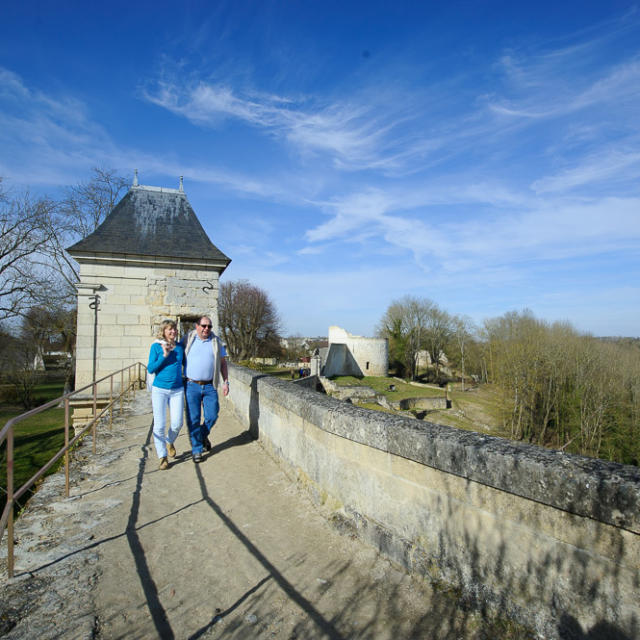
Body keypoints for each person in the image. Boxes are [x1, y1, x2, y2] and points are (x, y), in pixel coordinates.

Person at [182, 315, 229, 463]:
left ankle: (201, 436)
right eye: (203, 326)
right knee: (193, 419)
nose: (206, 329)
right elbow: (176, 355)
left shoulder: (216, 341)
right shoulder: (188, 339)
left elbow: (222, 364)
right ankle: (197, 449)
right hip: (191, 385)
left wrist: (226, 382)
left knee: (212, 415)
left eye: (209, 326)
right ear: (197, 326)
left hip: (210, 385)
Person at [147, 319, 185, 470]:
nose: (173, 332)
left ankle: (169, 441)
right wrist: (164, 354)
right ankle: (162, 457)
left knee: (177, 423)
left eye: (174, 329)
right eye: (169, 329)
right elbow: (151, 368)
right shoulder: (156, 347)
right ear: (163, 331)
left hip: (177, 389)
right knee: (160, 425)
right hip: (160, 390)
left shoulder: (180, 347)